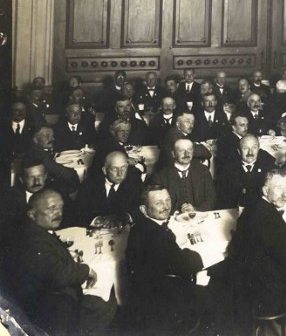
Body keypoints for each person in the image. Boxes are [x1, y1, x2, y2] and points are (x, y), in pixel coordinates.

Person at [2, 189, 116, 334]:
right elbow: (58, 274)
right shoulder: (34, 239)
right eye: (51, 208)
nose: (59, 213)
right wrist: (86, 270)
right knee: (107, 303)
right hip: (53, 308)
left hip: (50, 297)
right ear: (31, 214)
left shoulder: (35, 230)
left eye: (60, 207)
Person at [220, 171, 286, 332]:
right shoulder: (265, 217)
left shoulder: (254, 206)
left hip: (247, 281)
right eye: (279, 188)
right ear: (265, 190)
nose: (285, 194)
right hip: (265, 293)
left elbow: (234, 248)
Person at [126, 184, 206, 331]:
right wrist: (189, 252)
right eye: (158, 203)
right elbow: (193, 264)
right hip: (163, 300)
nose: (166, 206)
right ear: (143, 209)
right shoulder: (157, 235)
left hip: (143, 291)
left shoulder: (139, 227)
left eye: (168, 200)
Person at [76, 150, 142, 227]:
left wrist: (125, 217)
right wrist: (97, 220)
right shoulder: (89, 185)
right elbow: (79, 212)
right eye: (114, 169)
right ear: (104, 170)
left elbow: (142, 209)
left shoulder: (134, 183)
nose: (120, 173)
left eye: (123, 168)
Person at [151, 137, 216, 212]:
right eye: (182, 150)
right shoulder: (160, 176)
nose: (186, 154)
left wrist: (196, 210)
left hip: (199, 217)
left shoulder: (203, 171)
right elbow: (158, 205)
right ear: (173, 153)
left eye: (190, 149)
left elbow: (211, 197)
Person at [216, 135, 277, 209]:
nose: (250, 152)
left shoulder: (268, 166)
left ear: (258, 149)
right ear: (239, 151)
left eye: (254, 148)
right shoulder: (228, 169)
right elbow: (222, 198)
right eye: (245, 148)